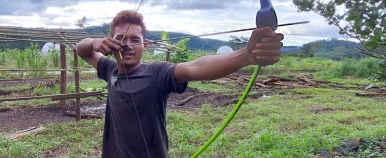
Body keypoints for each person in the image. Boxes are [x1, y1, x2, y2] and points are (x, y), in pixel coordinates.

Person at [76, 10, 284, 158]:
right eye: (121, 39)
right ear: (111, 42)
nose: (127, 45)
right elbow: (81, 49)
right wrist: (93, 42)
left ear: (145, 45)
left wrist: (246, 56)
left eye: (134, 39)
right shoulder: (109, 69)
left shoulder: (156, 73)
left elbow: (195, 67)